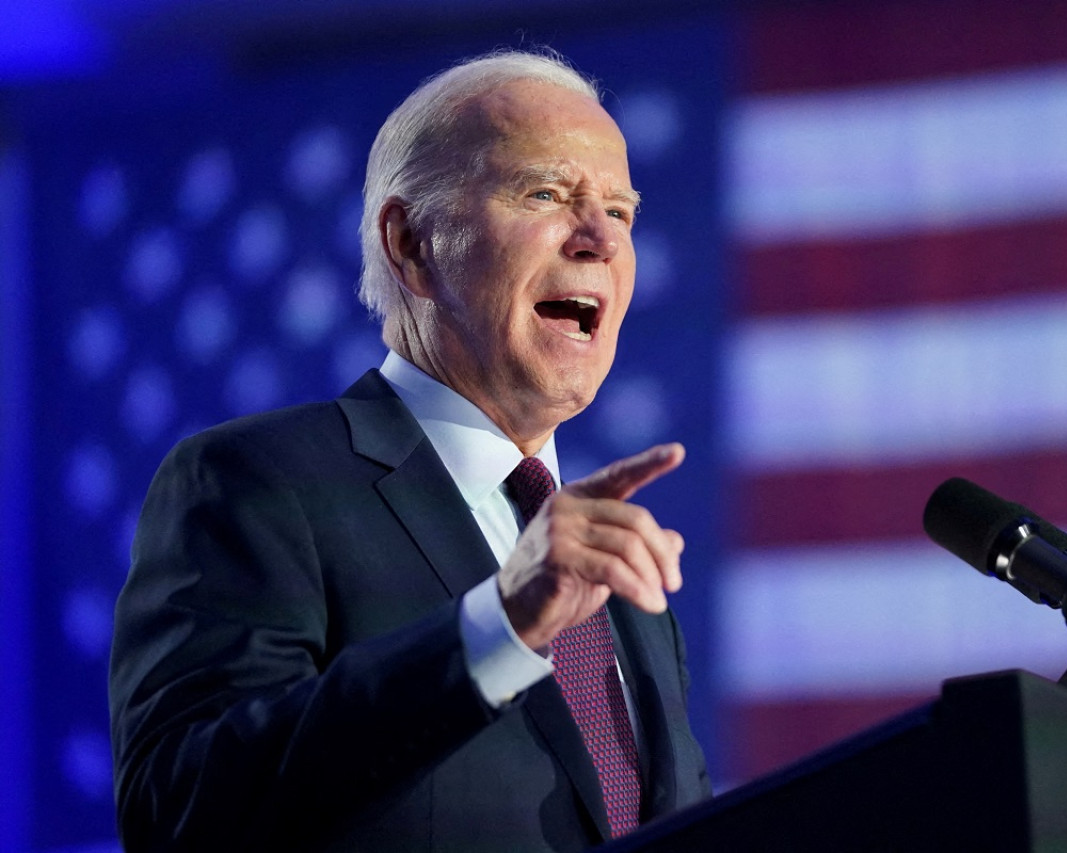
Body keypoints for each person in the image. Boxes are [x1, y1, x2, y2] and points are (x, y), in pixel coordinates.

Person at [108, 49, 711, 852]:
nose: (599, 236)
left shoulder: (617, 571)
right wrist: (496, 626)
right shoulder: (257, 483)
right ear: (412, 244)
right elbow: (178, 809)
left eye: (622, 210)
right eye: (545, 193)